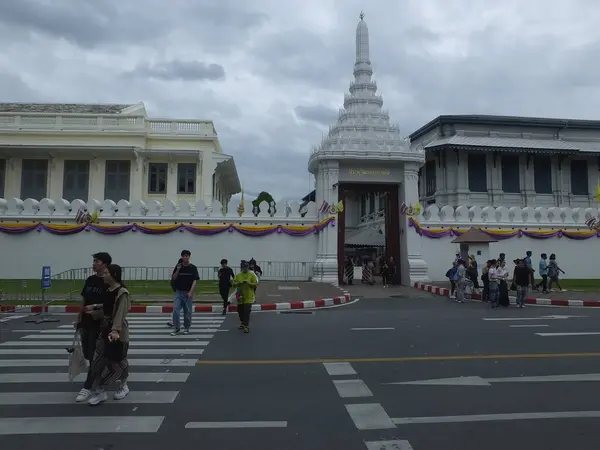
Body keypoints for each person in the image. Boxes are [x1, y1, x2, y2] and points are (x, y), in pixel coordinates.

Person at [88, 264, 132, 406]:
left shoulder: (122, 292)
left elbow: (120, 312)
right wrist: (94, 309)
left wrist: (115, 330)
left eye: (106, 272)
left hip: (116, 333)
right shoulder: (108, 290)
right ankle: (100, 391)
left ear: (114, 274)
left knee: (119, 361)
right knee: (97, 361)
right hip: (104, 330)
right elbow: (107, 308)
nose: (103, 275)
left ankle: (123, 386)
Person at [74, 252, 112, 403]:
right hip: (86, 322)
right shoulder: (90, 280)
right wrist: (78, 317)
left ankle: (88, 386)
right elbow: (84, 299)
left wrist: (96, 308)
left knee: (95, 355)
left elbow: (112, 303)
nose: (94, 263)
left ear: (105, 264)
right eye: (94, 261)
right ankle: (102, 374)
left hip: (100, 324)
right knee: (88, 354)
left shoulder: (109, 281)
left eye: (96, 261)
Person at [170, 250, 200, 336]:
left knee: (187, 312)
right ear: (182, 257)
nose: (185, 257)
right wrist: (178, 270)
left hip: (188, 293)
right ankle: (176, 327)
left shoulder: (193, 268)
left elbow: (195, 281)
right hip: (178, 292)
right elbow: (174, 278)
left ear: (189, 257)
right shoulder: (178, 266)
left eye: (187, 256)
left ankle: (186, 327)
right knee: (176, 310)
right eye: (184, 256)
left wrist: (191, 292)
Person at [232, 260, 259, 333]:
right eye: (244, 267)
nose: (245, 268)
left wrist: (249, 283)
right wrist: (239, 283)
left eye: (246, 267)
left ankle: (246, 326)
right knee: (240, 310)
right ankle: (242, 322)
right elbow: (233, 284)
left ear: (248, 267)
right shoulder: (238, 275)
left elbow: (256, 284)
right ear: (242, 268)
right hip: (240, 295)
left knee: (247, 311)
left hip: (249, 296)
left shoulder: (251, 275)